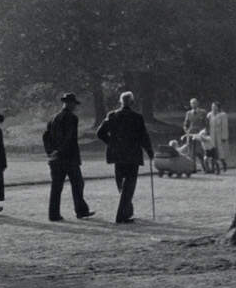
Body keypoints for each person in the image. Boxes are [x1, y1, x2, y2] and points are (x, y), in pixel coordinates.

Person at [97, 91, 154, 224]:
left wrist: (111, 143)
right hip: (133, 155)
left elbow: (100, 133)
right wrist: (150, 151)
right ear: (132, 102)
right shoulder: (137, 117)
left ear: (120, 102)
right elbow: (143, 137)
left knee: (122, 184)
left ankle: (127, 211)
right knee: (129, 184)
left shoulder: (112, 115)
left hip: (118, 155)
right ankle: (122, 215)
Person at [44, 92, 96, 221]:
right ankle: (81, 211)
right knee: (78, 184)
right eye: (73, 104)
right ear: (70, 103)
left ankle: (53, 214)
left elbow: (45, 137)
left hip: (55, 158)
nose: (74, 106)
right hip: (69, 157)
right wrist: (60, 151)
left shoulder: (53, 118)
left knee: (56, 187)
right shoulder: (72, 118)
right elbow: (70, 138)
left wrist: (51, 151)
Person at [182, 98, 208, 172]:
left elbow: (206, 123)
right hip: (191, 134)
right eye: (192, 103)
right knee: (191, 152)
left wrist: (205, 131)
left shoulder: (203, 112)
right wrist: (186, 131)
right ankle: (193, 168)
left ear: (198, 103)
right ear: (190, 105)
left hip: (200, 134)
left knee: (201, 151)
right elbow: (185, 124)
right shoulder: (188, 113)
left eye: (195, 103)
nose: (193, 105)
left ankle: (205, 168)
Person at [207, 101, 230, 172]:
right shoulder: (209, 114)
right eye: (212, 106)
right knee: (212, 150)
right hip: (211, 135)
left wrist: (224, 137)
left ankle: (224, 164)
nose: (213, 108)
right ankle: (213, 167)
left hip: (219, 135)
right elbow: (207, 125)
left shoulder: (223, 115)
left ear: (218, 107)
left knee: (220, 151)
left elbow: (224, 126)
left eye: (215, 106)